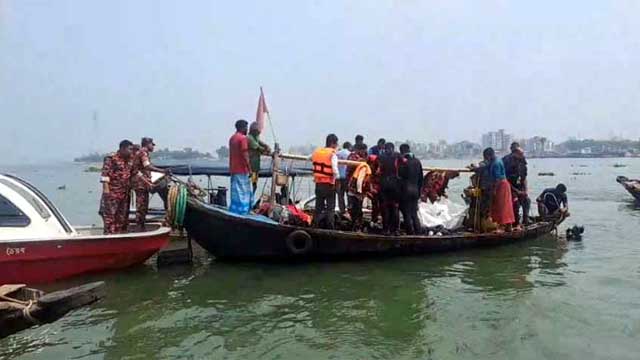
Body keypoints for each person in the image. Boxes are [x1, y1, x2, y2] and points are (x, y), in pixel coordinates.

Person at [131, 137, 168, 230]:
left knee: (143, 206)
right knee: (141, 206)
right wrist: (162, 171)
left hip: (143, 183)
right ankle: (140, 228)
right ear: (147, 144)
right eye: (152, 144)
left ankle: (141, 226)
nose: (153, 146)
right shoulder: (143, 152)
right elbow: (147, 166)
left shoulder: (142, 152)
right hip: (141, 183)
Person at [100, 140, 135, 234]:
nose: (131, 151)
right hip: (113, 192)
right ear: (122, 148)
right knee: (110, 217)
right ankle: (108, 236)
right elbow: (105, 174)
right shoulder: (111, 158)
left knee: (121, 217)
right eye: (130, 149)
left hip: (125, 193)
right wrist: (106, 189)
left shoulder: (130, 159)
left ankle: (118, 235)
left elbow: (133, 173)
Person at [311, 134, 340, 229]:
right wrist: (337, 181)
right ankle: (330, 227)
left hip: (318, 183)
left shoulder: (317, 152)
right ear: (333, 143)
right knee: (330, 208)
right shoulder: (332, 154)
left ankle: (314, 225)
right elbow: (335, 170)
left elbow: (309, 158)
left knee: (318, 207)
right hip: (329, 184)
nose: (337, 146)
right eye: (336, 144)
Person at [485, 147, 515, 232]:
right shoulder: (495, 161)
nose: (486, 159)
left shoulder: (496, 163)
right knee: (505, 205)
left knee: (501, 206)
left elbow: (497, 179)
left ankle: (502, 227)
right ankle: (508, 226)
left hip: (501, 185)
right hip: (502, 184)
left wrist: (494, 189)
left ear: (489, 155)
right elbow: (486, 167)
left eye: (486, 157)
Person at [229, 120, 253, 215]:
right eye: (246, 128)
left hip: (233, 170)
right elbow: (245, 154)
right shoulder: (243, 138)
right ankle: (243, 213)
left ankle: (234, 211)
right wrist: (249, 169)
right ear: (242, 128)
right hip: (242, 170)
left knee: (235, 192)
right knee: (243, 193)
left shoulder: (232, 138)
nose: (247, 130)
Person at [503, 142, 530, 226]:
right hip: (509, 187)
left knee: (527, 200)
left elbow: (524, 177)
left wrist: (525, 190)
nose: (522, 156)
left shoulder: (522, 161)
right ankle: (515, 222)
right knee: (516, 203)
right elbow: (505, 179)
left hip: (519, 186)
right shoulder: (506, 160)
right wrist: (516, 191)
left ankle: (526, 219)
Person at [398, 144, 423, 235]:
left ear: (401, 152)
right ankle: (418, 232)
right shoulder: (417, 161)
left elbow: (400, 178)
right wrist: (419, 192)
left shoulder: (403, 162)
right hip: (415, 191)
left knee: (406, 214)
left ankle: (410, 234)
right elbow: (421, 179)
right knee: (414, 214)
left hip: (405, 191)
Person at [378, 142, 401, 235]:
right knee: (394, 207)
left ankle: (386, 229)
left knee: (385, 208)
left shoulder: (381, 156)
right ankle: (395, 230)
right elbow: (404, 163)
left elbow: (377, 170)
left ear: (385, 148)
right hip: (394, 184)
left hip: (384, 184)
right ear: (393, 148)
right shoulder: (397, 156)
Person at [346, 146, 369, 231]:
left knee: (357, 207)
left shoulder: (364, 158)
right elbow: (359, 180)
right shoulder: (355, 159)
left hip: (356, 187)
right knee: (355, 207)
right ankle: (355, 224)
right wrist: (359, 192)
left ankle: (356, 224)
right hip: (354, 187)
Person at [247, 121, 272, 193]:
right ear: (253, 131)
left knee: (255, 183)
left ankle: (253, 195)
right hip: (250, 164)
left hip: (256, 164)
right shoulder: (249, 138)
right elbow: (257, 147)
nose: (259, 132)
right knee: (251, 182)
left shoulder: (256, 137)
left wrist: (267, 146)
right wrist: (265, 150)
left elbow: (261, 143)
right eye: (257, 131)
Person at [336, 141, 352, 215]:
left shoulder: (337, 153)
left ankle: (342, 210)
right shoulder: (350, 154)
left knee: (340, 195)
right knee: (349, 194)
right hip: (347, 177)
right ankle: (349, 210)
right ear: (349, 147)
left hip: (338, 177)